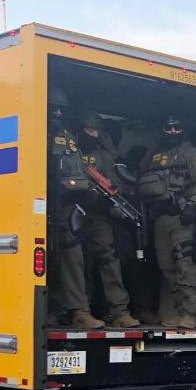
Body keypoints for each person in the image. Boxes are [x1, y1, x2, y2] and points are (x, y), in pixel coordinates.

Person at [138, 116, 196, 329]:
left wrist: (193, 204)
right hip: (159, 219)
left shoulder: (192, 153)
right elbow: (140, 178)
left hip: (181, 217)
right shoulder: (153, 154)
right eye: (168, 128)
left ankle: (191, 313)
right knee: (166, 265)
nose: (172, 131)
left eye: (176, 127)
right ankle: (181, 311)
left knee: (184, 265)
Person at [47, 88, 105, 329]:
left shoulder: (68, 138)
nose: (58, 113)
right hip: (42, 206)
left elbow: (79, 170)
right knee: (45, 262)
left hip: (65, 207)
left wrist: (87, 191)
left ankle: (79, 311)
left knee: (73, 258)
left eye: (62, 109)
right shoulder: (32, 130)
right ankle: (51, 309)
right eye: (54, 108)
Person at [76, 112, 139, 328]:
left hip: (97, 216)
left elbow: (114, 186)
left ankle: (120, 311)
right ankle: (75, 311)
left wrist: (112, 206)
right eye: (89, 130)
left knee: (108, 260)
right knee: (76, 264)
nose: (93, 135)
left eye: (96, 131)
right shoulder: (69, 152)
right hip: (70, 213)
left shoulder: (103, 156)